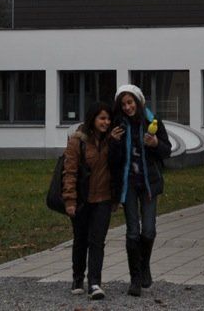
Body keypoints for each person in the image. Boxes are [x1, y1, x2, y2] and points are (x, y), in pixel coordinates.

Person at [109, 84, 171, 298]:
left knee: (149, 230)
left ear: (138, 101)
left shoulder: (152, 121)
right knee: (133, 231)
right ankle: (135, 278)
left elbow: (167, 150)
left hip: (148, 183)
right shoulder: (117, 125)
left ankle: (145, 266)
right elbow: (112, 160)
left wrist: (155, 143)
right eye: (123, 104)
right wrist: (113, 142)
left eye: (130, 102)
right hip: (128, 185)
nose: (127, 107)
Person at [63, 101, 114, 301]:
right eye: (102, 118)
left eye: (108, 119)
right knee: (81, 239)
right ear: (93, 119)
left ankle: (94, 282)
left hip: (104, 198)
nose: (106, 122)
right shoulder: (77, 141)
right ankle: (78, 278)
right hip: (82, 199)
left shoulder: (111, 140)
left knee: (97, 241)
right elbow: (70, 172)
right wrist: (70, 200)